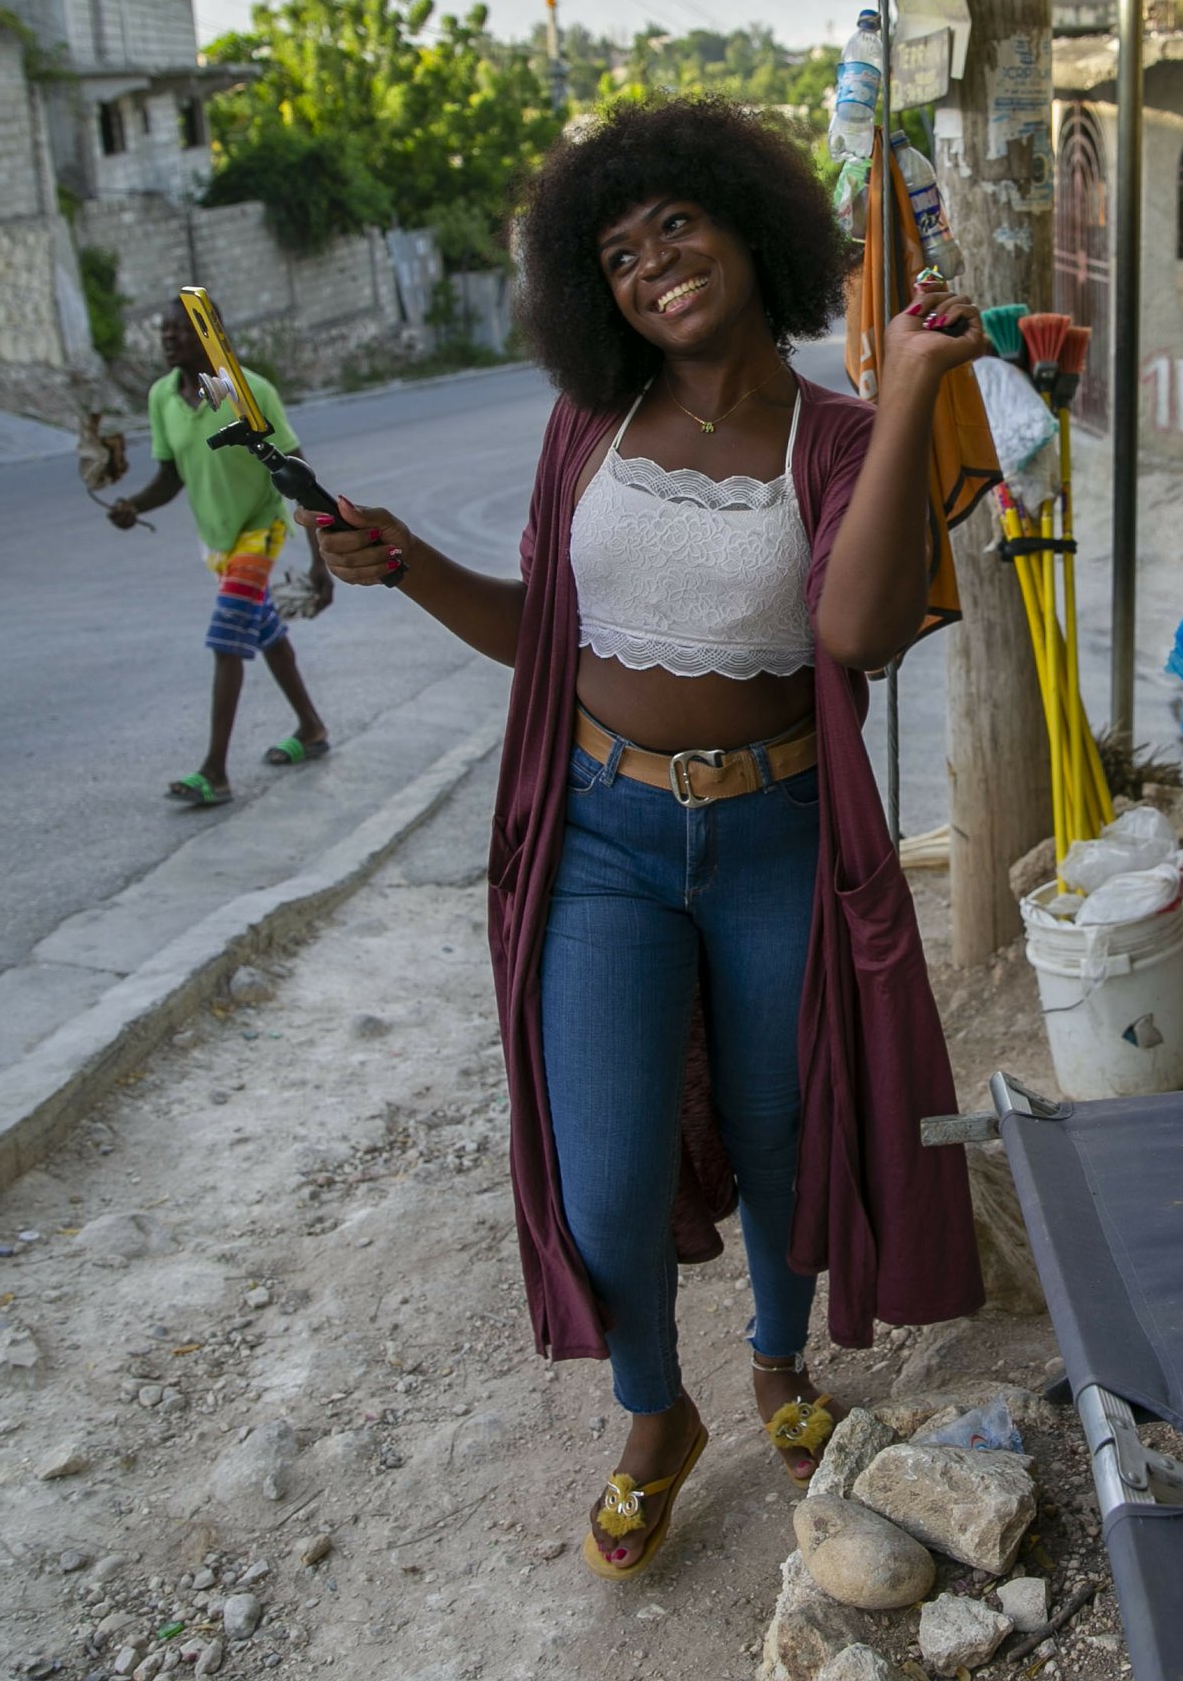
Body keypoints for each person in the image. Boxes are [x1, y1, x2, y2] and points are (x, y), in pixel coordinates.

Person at [313, 96, 986, 1581]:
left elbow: (858, 635)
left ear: (751, 223)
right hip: (604, 839)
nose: (656, 263)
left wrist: (924, 394)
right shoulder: (588, 426)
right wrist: (410, 562)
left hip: (778, 836)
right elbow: (544, 636)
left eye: (677, 221)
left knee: (781, 1137)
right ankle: (654, 1410)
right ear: (589, 291)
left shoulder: (841, 436)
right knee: (602, 1178)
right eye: (617, 253)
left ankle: (772, 1361)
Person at [108, 302, 332, 806]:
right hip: (217, 541)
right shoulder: (163, 397)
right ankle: (312, 727)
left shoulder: (246, 390)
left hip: (263, 526)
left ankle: (215, 771)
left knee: (228, 635)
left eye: (181, 329)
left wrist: (320, 558)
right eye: (164, 330)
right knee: (265, 631)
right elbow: (170, 477)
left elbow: (297, 470)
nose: (169, 338)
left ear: (213, 335)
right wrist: (132, 506)